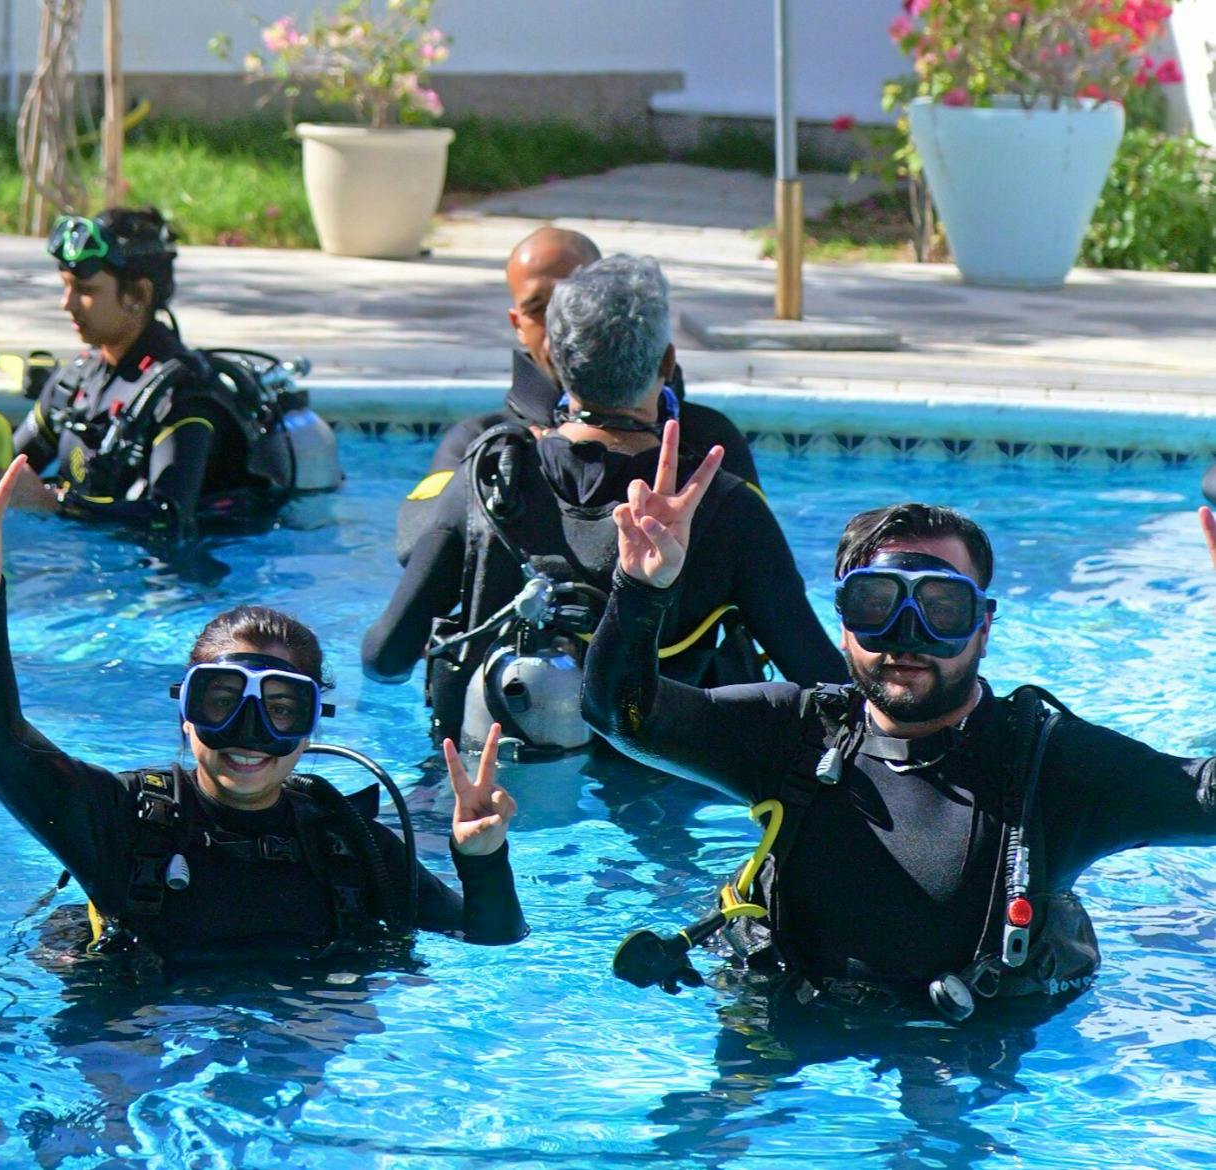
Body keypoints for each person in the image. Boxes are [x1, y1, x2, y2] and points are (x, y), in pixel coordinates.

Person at [583, 438, 1216, 1018]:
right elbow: (625, 716)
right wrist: (640, 590)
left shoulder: (1050, 768)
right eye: (877, 605)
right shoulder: (793, 734)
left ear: (984, 628)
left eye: (941, 608)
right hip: (783, 1042)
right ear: (843, 625)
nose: (907, 637)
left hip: (965, 1070)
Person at [0, 441, 525, 962]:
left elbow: (488, 938)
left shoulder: (349, 845)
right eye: (222, 701)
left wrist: (484, 857)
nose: (249, 734)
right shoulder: (123, 825)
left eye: (280, 709)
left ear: (311, 722)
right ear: (185, 710)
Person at [364, 256, 842, 756]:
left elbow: (383, 658)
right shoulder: (724, 506)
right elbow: (826, 685)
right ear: (666, 364)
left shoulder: (488, 481)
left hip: (497, 781)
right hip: (668, 791)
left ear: (556, 359)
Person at [0, 207, 339, 542]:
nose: (67, 304)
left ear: (138, 295)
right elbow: (15, 466)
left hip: (192, 583)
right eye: (65, 287)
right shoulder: (76, 379)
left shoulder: (184, 396)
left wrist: (52, 503)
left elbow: (169, 519)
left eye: (85, 290)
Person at [394, 226, 757, 564]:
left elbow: (766, 573)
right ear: (517, 325)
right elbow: (414, 549)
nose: (561, 328)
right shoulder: (483, 446)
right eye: (540, 309)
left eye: (578, 305)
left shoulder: (707, 440)